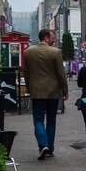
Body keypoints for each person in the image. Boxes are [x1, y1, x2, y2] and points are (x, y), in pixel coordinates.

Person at [23, 28, 69, 159]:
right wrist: (65, 91)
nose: (54, 40)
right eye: (52, 37)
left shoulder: (28, 52)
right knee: (51, 120)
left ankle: (43, 145)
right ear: (46, 38)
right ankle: (50, 148)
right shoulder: (55, 52)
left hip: (36, 91)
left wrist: (28, 87)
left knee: (38, 120)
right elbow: (61, 74)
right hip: (53, 92)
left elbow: (26, 73)